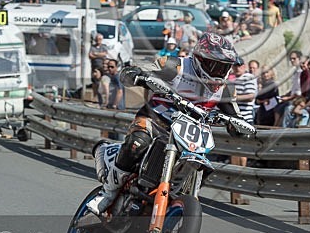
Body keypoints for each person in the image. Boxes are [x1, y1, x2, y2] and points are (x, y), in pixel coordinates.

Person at [85, 33, 246, 215]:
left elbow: (236, 116)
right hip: (156, 122)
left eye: (226, 67)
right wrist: (137, 75)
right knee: (137, 143)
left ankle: (181, 202)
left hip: (190, 136)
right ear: (201, 60)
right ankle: (107, 193)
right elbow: (140, 70)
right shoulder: (175, 66)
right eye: (217, 66)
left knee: (204, 165)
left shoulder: (226, 89)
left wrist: (238, 125)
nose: (221, 71)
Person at [231, 58, 257, 125]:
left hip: (245, 119)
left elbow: (251, 97)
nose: (237, 68)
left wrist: (232, 98)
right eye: (235, 66)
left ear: (244, 66)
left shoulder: (248, 77)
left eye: (239, 66)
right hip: (235, 119)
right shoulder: (234, 79)